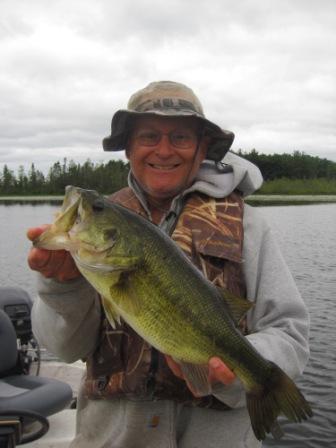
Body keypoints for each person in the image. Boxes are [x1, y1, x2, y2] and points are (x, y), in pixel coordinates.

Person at [27, 81, 310, 448]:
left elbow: (289, 331)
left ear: (201, 147)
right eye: (148, 136)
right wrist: (62, 287)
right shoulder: (99, 230)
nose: (164, 150)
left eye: (180, 137)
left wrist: (238, 372)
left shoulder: (249, 226)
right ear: (128, 148)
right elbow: (64, 349)